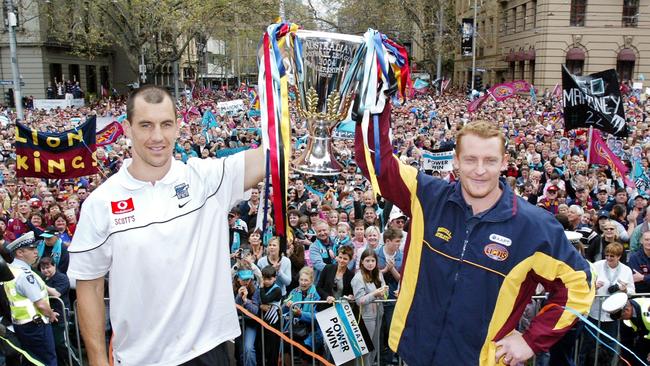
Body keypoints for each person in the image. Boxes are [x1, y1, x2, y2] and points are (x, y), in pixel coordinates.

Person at [355, 110, 594, 366]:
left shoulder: (534, 227)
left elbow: (580, 285)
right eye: (470, 160)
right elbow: (376, 162)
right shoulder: (426, 195)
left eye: (490, 161)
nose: (480, 170)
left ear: (504, 163)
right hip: (414, 353)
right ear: (456, 161)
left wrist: (530, 341)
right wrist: (378, 99)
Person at [68, 85, 265, 365]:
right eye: (146, 125)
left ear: (178, 126)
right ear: (127, 128)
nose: (157, 136)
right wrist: (99, 361)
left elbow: (273, 156)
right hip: (140, 358)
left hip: (207, 351)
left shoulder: (205, 179)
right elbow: (90, 286)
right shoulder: (100, 203)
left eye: (166, 124)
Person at [3, 232, 59, 366]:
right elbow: (41, 304)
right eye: (32, 249)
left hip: (22, 325)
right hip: (37, 326)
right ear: (20, 253)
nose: (36, 252)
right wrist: (51, 315)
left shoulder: (11, 270)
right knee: (46, 361)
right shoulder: (25, 275)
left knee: (31, 360)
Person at [580, 242, 634, 366]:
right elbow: (585, 285)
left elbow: (632, 291)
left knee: (609, 345)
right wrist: (594, 286)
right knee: (588, 344)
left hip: (612, 315)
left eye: (612, 256)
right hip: (594, 312)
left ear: (619, 256)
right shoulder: (596, 266)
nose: (609, 258)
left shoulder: (626, 270)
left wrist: (625, 290)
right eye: (607, 255)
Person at [351, 248, 387, 366]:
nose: (370, 263)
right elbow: (359, 301)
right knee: (366, 347)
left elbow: (384, 292)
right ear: (361, 262)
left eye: (373, 260)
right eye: (367, 260)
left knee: (375, 346)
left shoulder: (379, 273)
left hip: (379, 314)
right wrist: (375, 294)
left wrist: (385, 292)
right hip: (366, 317)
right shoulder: (358, 277)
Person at [602, 293, 650, 366]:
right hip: (644, 336)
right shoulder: (625, 317)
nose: (620, 319)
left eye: (620, 316)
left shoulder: (647, 309)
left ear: (627, 310)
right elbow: (626, 343)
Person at [39, 256, 71, 366]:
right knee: (53, 346)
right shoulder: (43, 279)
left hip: (61, 316)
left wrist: (42, 285)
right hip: (49, 316)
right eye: (43, 268)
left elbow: (57, 293)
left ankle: (75, 363)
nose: (45, 270)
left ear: (54, 266)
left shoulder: (61, 278)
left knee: (62, 344)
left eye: (48, 267)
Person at [233, 268, 260, 366]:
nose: (246, 282)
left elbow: (255, 311)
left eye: (248, 279)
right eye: (243, 279)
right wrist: (239, 297)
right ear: (238, 279)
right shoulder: (231, 288)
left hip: (250, 322)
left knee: (248, 349)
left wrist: (246, 301)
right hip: (237, 323)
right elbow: (235, 310)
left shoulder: (255, 288)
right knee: (240, 352)